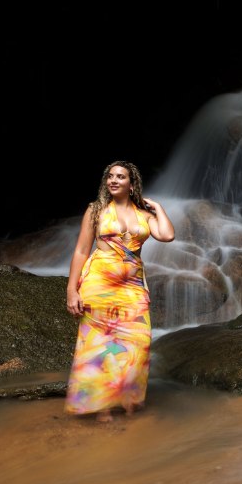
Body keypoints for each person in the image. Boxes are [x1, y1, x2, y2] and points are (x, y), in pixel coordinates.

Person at [64, 160, 175, 422]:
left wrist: (157, 207)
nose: (113, 180)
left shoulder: (145, 215)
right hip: (99, 283)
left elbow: (167, 235)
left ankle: (124, 397)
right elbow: (81, 250)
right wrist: (72, 289)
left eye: (120, 177)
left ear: (131, 183)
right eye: (110, 176)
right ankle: (101, 406)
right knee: (99, 344)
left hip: (132, 286)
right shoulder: (96, 210)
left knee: (137, 341)